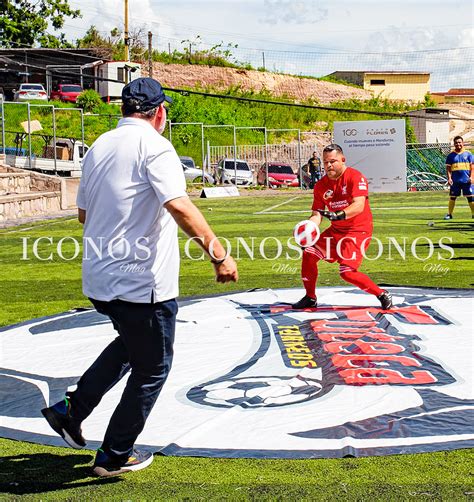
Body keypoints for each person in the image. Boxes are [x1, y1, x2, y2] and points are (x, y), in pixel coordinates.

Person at [41, 77, 238, 477]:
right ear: (159, 112)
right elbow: (180, 206)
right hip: (141, 282)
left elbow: (82, 213)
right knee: (153, 366)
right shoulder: (156, 147)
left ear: (124, 110)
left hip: (100, 277)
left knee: (132, 346)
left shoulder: (99, 146)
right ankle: (115, 454)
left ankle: (70, 410)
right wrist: (219, 254)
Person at [292, 143, 392, 310]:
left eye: (333, 161)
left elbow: (359, 205)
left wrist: (339, 215)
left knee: (346, 272)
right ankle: (310, 297)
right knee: (309, 253)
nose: (329, 165)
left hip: (357, 230)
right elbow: (317, 214)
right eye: (325, 162)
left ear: (343, 160)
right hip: (336, 230)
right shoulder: (321, 185)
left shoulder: (355, 177)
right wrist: (308, 229)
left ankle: (381, 294)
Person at [444, 135, 473, 220]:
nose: (458, 144)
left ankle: (473, 214)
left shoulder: (468, 154)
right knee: (453, 197)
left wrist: (471, 177)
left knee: (470, 197)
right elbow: (448, 169)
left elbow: (472, 167)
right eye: (456, 143)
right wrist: (449, 178)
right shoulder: (450, 156)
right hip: (455, 181)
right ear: (454, 144)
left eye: (459, 142)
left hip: (467, 181)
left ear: (462, 143)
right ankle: (449, 214)